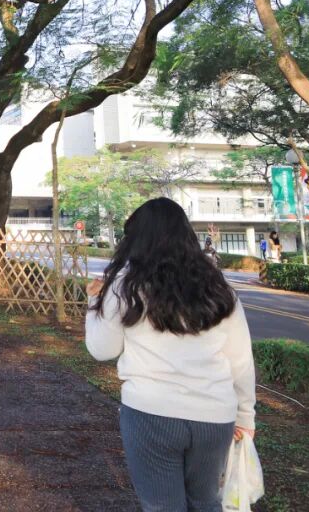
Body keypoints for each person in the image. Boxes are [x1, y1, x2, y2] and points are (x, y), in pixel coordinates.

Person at [85, 197, 255, 512]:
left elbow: (101, 349)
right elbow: (240, 358)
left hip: (151, 414)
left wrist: (92, 303)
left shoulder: (124, 285)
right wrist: (246, 415)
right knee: (205, 503)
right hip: (214, 416)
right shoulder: (218, 287)